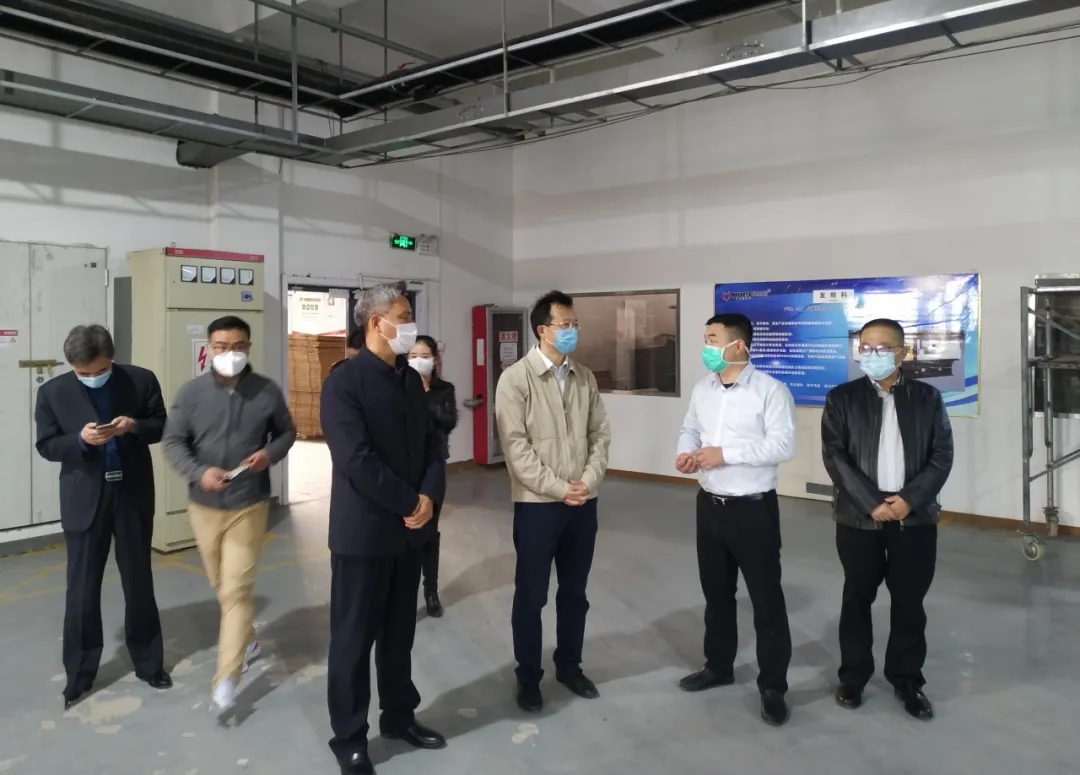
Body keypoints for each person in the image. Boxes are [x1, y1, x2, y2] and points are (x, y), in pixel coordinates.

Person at [320, 282, 447, 775]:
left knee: (398, 636)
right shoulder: (344, 383)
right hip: (364, 535)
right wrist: (409, 501)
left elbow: (433, 446)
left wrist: (429, 495)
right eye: (404, 315)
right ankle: (350, 738)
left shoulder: (409, 381)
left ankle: (399, 716)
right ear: (377, 322)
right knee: (353, 641)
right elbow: (356, 459)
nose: (411, 325)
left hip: (408, 535)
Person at [161, 315, 296, 713]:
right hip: (203, 506)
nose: (229, 353)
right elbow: (172, 442)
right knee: (222, 584)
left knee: (236, 590)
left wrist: (268, 454)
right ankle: (248, 639)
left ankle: (227, 677)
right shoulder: (191, 394)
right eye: (221, 347)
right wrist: (198, 472)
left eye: (237, 346)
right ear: (209, 349)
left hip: (248, 502)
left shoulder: (266, 392)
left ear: (248, 347)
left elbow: (287, 432)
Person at [821, 318, 953, 721]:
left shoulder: (927, 398)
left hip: (914, 518)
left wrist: (909, 500)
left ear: (902, 352)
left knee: (909, 601)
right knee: (857, 598)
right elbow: (835, 456)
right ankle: (853, 676)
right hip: (859, 519)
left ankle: (907, 679)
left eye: (881, 348)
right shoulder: (842, 398)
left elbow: (941, 455)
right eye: (865, 347)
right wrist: (870, 503)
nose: (871, 354)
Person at [34, 324, 172, 710]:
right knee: (81, 589)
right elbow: (46, 444)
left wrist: (134, 427)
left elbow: (161, 425)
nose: (92, 377)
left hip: (132, 495)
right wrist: (79, 440)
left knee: (139, 582)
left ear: (112, 358)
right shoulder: (53, 392)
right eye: (83, 373)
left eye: (100, 370)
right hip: (84, 499)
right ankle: (79, 676)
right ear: (71, 366)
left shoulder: (141, 380)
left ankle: (149, 664)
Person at [674, 312, 796, 726]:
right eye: (705, 339)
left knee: (766, 600)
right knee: (717, 594)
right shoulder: (703, 389)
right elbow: (690, 429)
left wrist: (725, 454)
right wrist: (686, 453)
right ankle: (718, 666)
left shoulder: (770, 391)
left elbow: (782, 445)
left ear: (738, 344)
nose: (706, 347)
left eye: (712, 339)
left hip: (753, 509)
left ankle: (773, 686)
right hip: (709, 505)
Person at [495, 290, 611, 714]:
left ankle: (570, 667)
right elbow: (516, 449)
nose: (573, 331)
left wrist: (587, 481)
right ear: (542, 330)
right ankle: (528, 676)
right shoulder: (516, 380)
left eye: (575, 324)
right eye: (566, 324)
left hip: (583, 504)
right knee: (531, 596)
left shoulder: (584, 377)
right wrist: (560, 488)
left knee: (575, 593)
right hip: (537, 506)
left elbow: (600, 435)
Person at [408, 335, 458, 619]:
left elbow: (448, 422)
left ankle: (431, 591)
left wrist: (425, 400)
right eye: (413, 356)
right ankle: (403, 591)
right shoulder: (399, 388)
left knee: (429, 531)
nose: (418, 361)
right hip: (405, 469)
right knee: (405, 531)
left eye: (424, 356)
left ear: (435, 360)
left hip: (433, 467)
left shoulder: (443, 390)